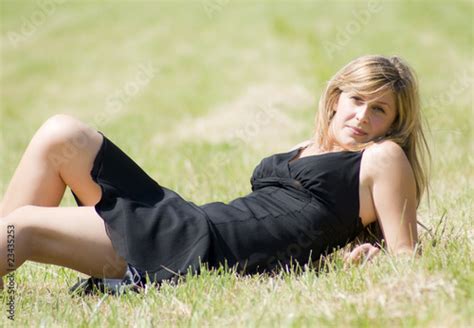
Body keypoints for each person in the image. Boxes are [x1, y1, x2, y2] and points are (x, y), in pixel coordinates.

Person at [0, 55, 430, 294]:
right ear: (335, 98)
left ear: (394, 123)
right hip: (192, 221)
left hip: (194, 252)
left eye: (379, 110)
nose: (362, 116)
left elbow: (405, 255)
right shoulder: (310, 146)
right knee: (60, 133)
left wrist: (380, 256)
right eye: (357, 99)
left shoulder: (383, 157)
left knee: (26, 227)